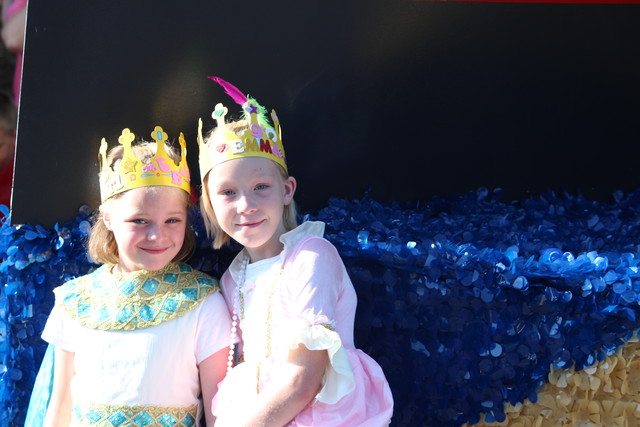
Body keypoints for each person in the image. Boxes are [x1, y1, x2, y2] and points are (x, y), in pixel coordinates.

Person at [198, 76, 394, 427]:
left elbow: (303, 380)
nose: (246, 205)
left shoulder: (310, 256)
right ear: (208, 205)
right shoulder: (232, 278)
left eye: (261, 187)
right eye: (227, 193)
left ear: (286, 190)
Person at [40, 126, 231, 426]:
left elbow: (221, 413)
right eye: (139, 220)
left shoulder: (203, 302)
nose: (157, 235)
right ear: (108, 218)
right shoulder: (75, 301)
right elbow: (60, 405)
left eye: (172, 220)